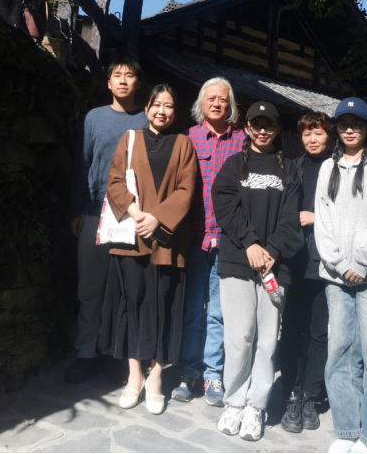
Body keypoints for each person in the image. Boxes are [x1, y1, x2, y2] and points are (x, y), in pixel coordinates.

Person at [101, 84, 198, 415]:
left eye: (168, 106)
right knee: (133, 304)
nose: (162, 111)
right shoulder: (129, 140)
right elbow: (114, 180)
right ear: (146, 109)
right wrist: (135, 213)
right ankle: (135, 375)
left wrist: (157, 219)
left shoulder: (183, 144)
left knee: (164, 305)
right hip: (133, 239)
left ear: (175, 112)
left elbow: (187, 188)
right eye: (156, 105)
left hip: (167, 241)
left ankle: (156, 376)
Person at [212, 102, 304, 442]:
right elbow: (225, 206)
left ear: (277, 129)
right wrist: (250, 243)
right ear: (247, 128)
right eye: (257, 124)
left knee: (266, 341)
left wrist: (272, 252)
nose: (263, 131)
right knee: (239, 338)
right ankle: (234, 402)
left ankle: (256, 406)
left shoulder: (289, 170)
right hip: (237, 262)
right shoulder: (233, 165)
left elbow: (291, 219)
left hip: (275, 268)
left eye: (269, 125)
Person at [314, 97, 367, 454]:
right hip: (337, 278)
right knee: (340, 355)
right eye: (343, 124)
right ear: (336, 128)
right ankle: (347, 430)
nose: (349, 129)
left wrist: (362, 264)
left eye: (356, 123)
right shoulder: (328, 168)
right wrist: (338, 263)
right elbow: (322, 221)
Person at [65, 57, 148, 384]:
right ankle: (86, 352)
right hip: (93, 210)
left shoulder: (146, 119)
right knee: (90, 285)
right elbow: (82, 164)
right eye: (117, 75)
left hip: (132, 212)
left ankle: (116, 353)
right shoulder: (94, 118)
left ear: (138, 83)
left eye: (130, 75)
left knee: (125, 287)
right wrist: (76, 209)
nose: (124, 80)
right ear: (108, 82)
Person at [171, 77, 245, 407]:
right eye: (211, 98)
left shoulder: (242, 141)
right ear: (201, 103)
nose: (216, 103)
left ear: (231, 107)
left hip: (227, 240)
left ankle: (213, 374)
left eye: (223, 99)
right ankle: (188, 372)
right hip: (194, 238)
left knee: (218, 313)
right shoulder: (187, 139)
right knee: (191, 310)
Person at [281, 111, 332, 434]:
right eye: (307, 134)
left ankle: (311, 396)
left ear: (329, 136)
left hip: (326, 263)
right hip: (295, 261)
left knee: (319, 333)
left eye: (318, 133)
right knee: (291, 330)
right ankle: (292, 392)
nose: (312, 139)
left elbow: (350, 214)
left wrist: (317, 218)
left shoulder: (339, 168)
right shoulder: (292, 168)